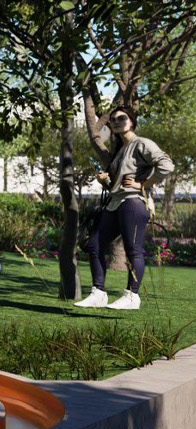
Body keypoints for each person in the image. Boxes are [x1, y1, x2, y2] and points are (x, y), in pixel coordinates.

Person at [75, 105, 175, 311]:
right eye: (113, 120)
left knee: (133, 250)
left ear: (131, 121)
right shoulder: (120, 150)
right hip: (116, 202)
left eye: (121, 118)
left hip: (134, 202)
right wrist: (105, 182)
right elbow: (117, 186)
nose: (117, 122)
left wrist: (143, 184)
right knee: (95, 245)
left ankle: (132, 296)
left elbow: (167, 165)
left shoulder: (142, 143)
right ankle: (99, 293)